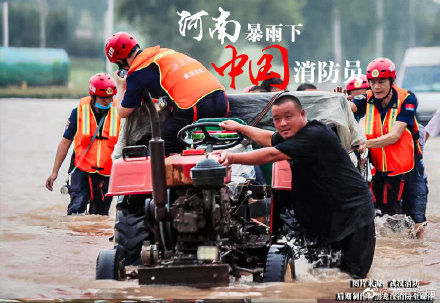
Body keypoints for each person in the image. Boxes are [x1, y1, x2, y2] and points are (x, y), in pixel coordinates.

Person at [219, 93, 376, 278]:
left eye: (288, 116)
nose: (283, 123)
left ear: (302, 114)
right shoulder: (297, 135)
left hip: (353, 215)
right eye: (277, 119)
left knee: (351, 281)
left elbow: (271, 154)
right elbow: (270, 138)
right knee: (323, 277)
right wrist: (241, 127)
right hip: (327, 217)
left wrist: (230, 157)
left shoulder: (316, 134)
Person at [105, 32, 228, 155]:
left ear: (122, 62)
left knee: (159, 147)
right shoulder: (164, 53)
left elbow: (123, 112)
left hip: (194, 106)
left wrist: (120, 86)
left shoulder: (137, 71)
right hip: (221, 99)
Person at [349, 58, 427, 236]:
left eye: (381, 81)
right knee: (387, 221)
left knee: (417, 223)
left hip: (410, 171)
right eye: (372, 82)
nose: (376, 86)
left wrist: (365, 144)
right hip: (382, 172)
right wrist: (338, 101)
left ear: (392, 81)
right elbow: (347, 108)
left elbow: (394, 136)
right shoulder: (365, 99)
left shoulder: (407, 99)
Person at [45, 73, 121, 215]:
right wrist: (54, 172)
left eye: (111, 97)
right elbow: (65, 143)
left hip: (107, 173)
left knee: (99, 217)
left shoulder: (120, 113)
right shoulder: (78, 112)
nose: (108, 101)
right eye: (104, 98)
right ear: (93, 96)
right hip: (81, 169)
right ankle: (74, 236)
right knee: (76, 210)